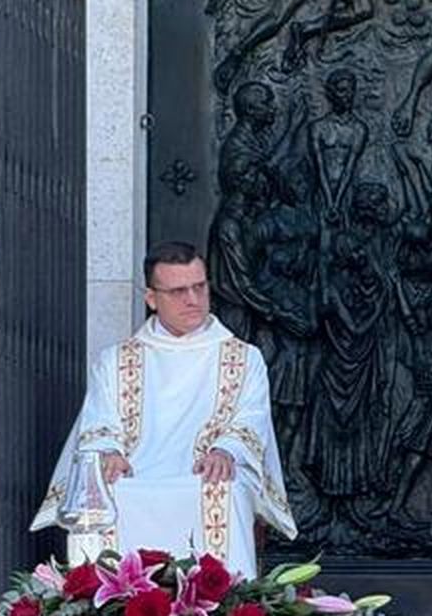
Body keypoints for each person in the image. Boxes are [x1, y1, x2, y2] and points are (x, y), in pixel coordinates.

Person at [30, 242, 296, 577]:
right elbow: (100, 421)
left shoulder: (243, 358)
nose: (193, 299)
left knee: (224, 490)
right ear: (152, 299)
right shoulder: (116, 361)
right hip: (134, 473)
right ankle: (110, 609)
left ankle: (224, 608)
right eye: (178, 291)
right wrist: (108, 453)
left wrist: (226, 451)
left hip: (206, 472)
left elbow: (249, 418)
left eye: (199, 287)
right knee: (103, 495)